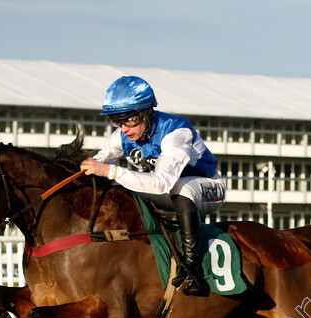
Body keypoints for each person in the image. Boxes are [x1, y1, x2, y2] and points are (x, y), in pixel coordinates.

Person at [80, 76, 225, 296]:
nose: (124, 129)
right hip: (167, 190)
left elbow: (162, 183)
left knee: (181, 189)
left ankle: (192, 269)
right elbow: (99, 163)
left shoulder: (176, 133)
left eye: (130, 120)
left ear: (148, 112)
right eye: (118, 121)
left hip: (208, 187)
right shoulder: (122, 135)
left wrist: (111, 171)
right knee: (118, 188)